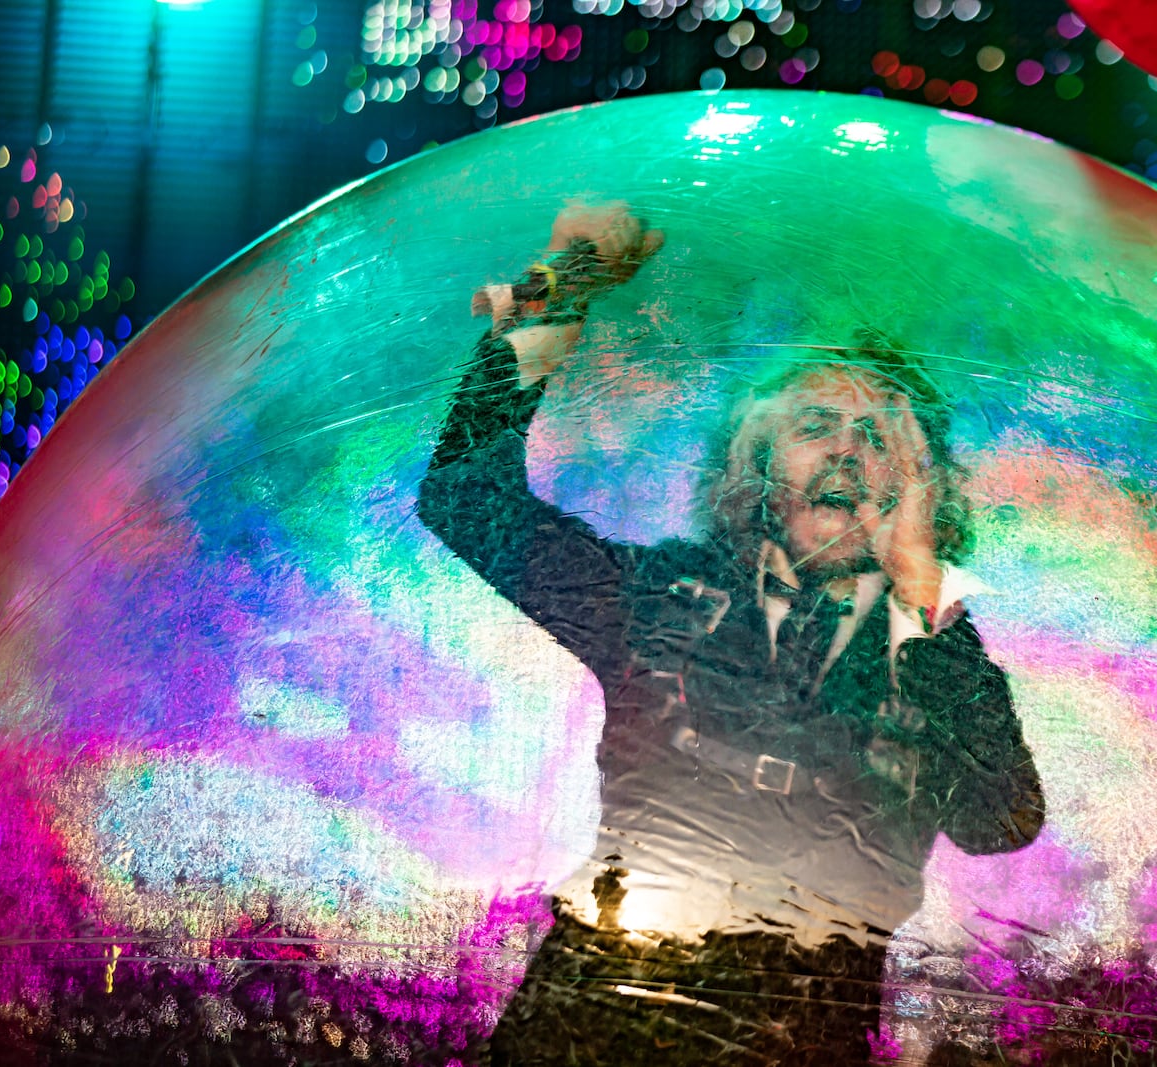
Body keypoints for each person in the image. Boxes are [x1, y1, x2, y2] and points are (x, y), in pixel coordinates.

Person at [417, 203, 1043, 1066]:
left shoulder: (932, 646)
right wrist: (562, 287)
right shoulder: (667, 594)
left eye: (879, 434)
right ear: (757, 461)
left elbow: (1000, 818)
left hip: (808, 1023)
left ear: (920, 481)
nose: (846, 451)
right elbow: (466, 498)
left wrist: (923, 591)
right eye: (814, 424)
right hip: (594, 1017)